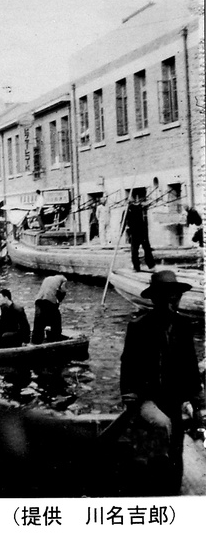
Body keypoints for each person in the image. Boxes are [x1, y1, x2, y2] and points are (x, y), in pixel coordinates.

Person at [120, 269, 203, 495]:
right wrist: (130, 399)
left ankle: (172, 496)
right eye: (167, 296)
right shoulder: (139, 326)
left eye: (175, 295)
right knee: (156, 439)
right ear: (156, 299)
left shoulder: (183, 326)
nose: (173, 300)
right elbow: (127, 366)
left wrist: (197, 404)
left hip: (173, 399)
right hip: (146, 399)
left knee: (175, 451)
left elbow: (191, 366)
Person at [32, 274, 68, 344]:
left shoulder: (47, 278)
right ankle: (56, 340)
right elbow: (63, 291)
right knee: (56, 319)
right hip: (49, 299)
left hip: (38, 300)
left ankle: (36, 341)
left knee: (39, 321)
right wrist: (59, 301)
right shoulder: (64, 279)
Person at [122, 197, 155, 272]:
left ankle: (139, 267)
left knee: (137, 250)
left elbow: (123, 223)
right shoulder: (137, 209)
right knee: (144, 249)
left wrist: (120, 233)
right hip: (140, 232)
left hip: (137, 232)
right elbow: (123, 223)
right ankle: (149, 265)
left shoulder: (132, 210)